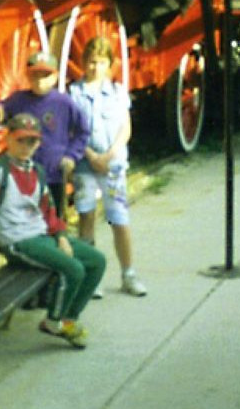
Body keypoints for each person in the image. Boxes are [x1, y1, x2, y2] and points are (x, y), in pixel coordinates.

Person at [0, 113, 105, 348]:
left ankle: (68, 318)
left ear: (38, 143)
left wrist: (61, 236)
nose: (25, 147)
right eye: (20, 140)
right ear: (8, 139)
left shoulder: (36, 171)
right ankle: (53, 322)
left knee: (96, 261)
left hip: (41, 236)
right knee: (73, 269)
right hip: (18, 241)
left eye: (31, 142)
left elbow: (49, 210)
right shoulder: (0, 169)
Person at [67, 38, 147, 298]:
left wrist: (110, 154)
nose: (95, 67)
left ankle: (129, 274)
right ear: (83, 63)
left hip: (112, 167)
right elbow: (71, 131)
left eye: (101, 63)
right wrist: (91, 155)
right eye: (91, 62)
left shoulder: (116, 92)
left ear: (109, 65)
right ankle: (91, 276)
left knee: (118, 218)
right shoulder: (74, 94)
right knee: (86, 217)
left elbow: (126, 128)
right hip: (84, 165)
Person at [0, 51, 90, 219]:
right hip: (25, 174)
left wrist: (72, 156)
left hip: (53, 174)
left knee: (54, 218)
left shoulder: (64, 102)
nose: (40, 81)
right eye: (35, 75)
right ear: (28, 77)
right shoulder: (19, 99)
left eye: (46, 76)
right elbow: (2, 106)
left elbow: (82, 131)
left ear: (55, 77)